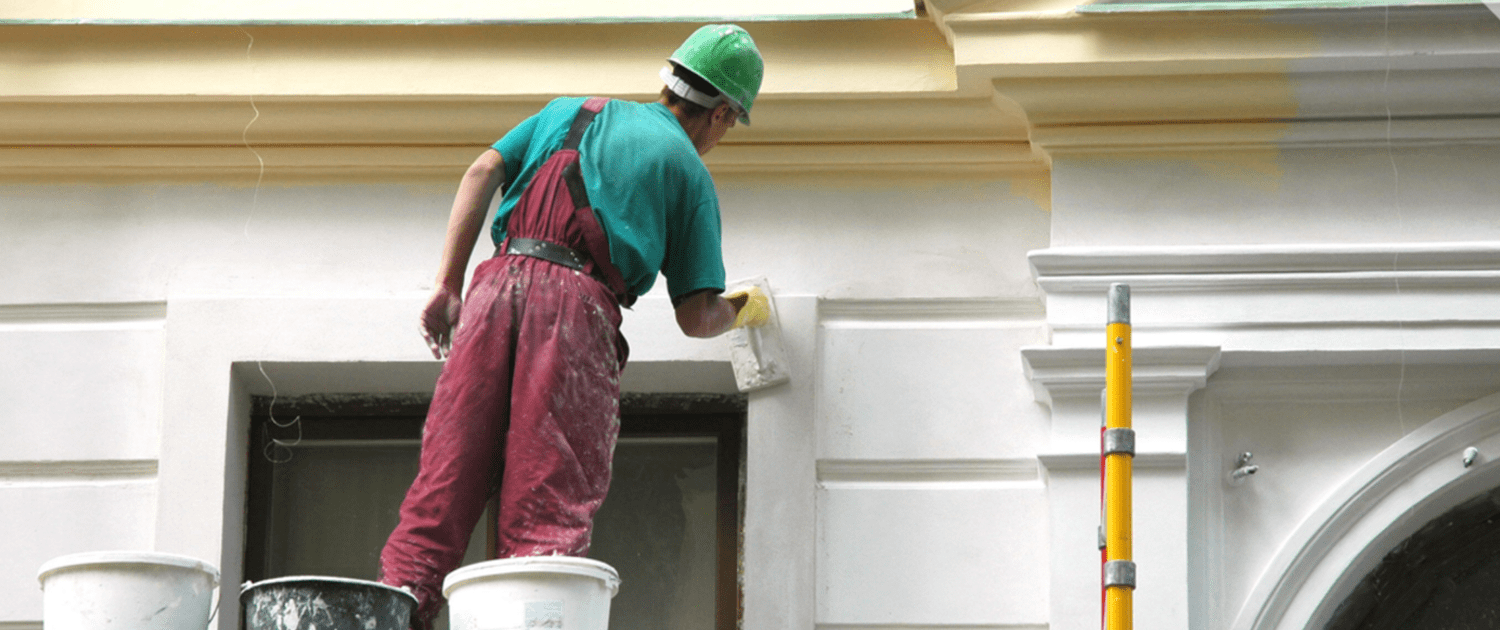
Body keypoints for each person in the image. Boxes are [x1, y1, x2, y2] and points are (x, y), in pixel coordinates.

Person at [378, 24, 770, 629]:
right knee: (545, 509)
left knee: (443, 487)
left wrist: (448, 284)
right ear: (721, 114)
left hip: (492, 288)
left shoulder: (570, 110)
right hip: (574, 311)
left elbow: (483, 170)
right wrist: (744, 306)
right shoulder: (686, 171)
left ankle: (393, 616)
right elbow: (697, 317)